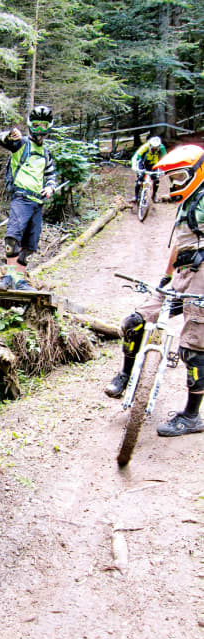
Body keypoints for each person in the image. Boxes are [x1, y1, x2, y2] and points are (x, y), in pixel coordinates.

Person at [105, 143, 204, 437]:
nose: (175, 183)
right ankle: (125, 374)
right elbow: (180, 244)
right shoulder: (190, 203)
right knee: (134, 321)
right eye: (172, 178)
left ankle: (192, 416)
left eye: (180, 177)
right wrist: (164, 278)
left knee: (194, 348)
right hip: (183, 277)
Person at [0, 105, 57, 292]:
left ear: (48, 127)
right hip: (21, 198)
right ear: (30, 125)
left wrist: (51, 187)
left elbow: (51, 174)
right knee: (12, 238)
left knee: (29, 245)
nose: (39, 129)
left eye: (43, 125)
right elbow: (1, 140)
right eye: (36, 125)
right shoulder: (21, 144)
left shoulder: (46, 153)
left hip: (37, 202)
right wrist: (9, 135)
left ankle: (19, 280)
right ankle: (8, 278)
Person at [131, 135, 167, 203]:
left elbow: (165, 158)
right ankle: (136, 196)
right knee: (140, 179)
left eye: (156, 148)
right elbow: (136, 156)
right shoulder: (145, 147)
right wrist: (134, 166)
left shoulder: (162, 148)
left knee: (156, 180)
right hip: (143, 163)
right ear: (150, 145)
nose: (154, 149)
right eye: (153, 147)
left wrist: (165, 168)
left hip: (153, 165)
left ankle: (154, 195)